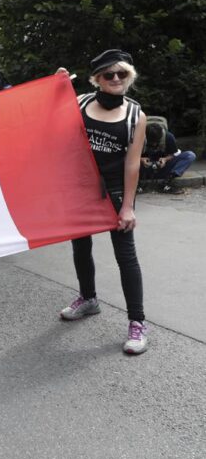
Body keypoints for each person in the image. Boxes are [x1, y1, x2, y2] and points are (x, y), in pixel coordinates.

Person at [56, 49, 149, 355]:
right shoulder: (81, 103)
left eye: (122, 73)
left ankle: (137, 323)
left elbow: (132, 164)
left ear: (129, 77)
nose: (116, 79)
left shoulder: (136, 115)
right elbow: (50, 118)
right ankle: (89, 298)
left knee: (126, 256)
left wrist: (128, 206)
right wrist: (57, 87)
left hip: (115, 191)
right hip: (80, 189)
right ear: (97, 79)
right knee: (80, 247)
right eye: (108, 75)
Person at [140, 123, 196, 194]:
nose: (154, 145)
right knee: (124, 159)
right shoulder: (139, 137)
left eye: (156, 142)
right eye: (151, 142)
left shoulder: (169, 137)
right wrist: (141, 159)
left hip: (163, 167)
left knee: (190, 155)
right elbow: (129, 155)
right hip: (145, 168)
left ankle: (167, 181)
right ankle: (138, 184)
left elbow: (174, 154)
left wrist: (165, 159)